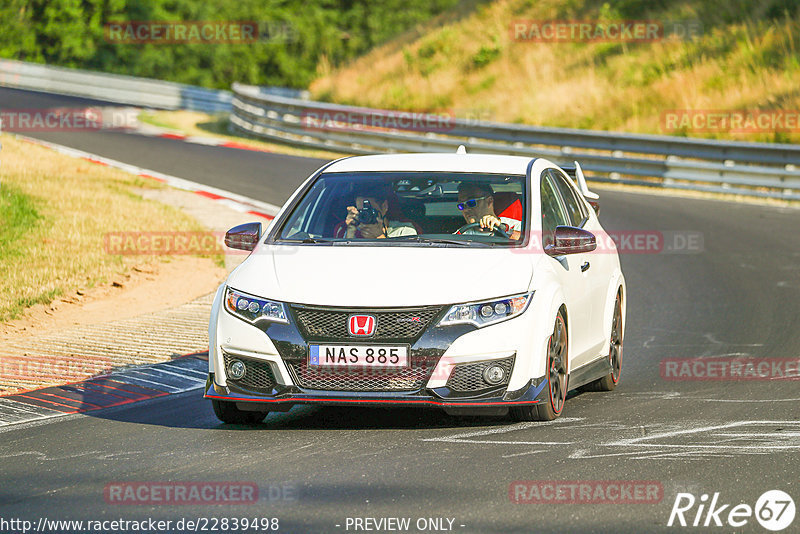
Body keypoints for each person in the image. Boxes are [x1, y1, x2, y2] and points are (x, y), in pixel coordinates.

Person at [336, 183, 418, 239]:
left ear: (384, 206)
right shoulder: (345, 229)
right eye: (361, 211)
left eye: (370, 210)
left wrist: (379, 236)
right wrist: (350, 232)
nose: (366, 214)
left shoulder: (403, 231)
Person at [456, 182, 522, 239]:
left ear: (489, 201)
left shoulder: (515, 226)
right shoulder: (461, 233)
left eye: (471, 202)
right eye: (461, 206)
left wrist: (502, 228)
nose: (466, 209)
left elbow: (527, 244)